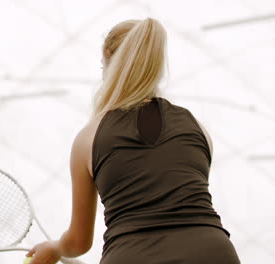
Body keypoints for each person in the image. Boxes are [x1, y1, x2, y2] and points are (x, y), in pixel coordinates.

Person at [26, 18, 241, 264]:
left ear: (109, 65)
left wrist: (55, 248)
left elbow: (78, 241)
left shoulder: (88, 139)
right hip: (212, 253)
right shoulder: (198, 129)